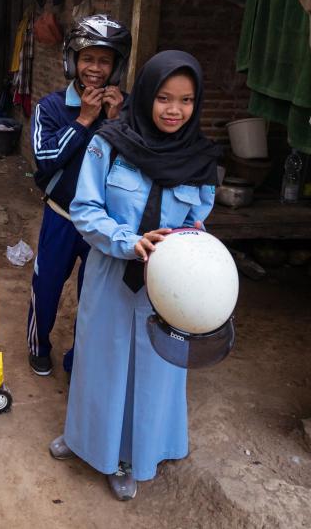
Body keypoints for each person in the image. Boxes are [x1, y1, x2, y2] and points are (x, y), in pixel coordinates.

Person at [51, 50, 219, 499]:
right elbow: (84, 209)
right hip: (111, 271)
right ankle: (85, 439)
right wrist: (128, 240)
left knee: (153, 368)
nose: (173, 110)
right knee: (99, 359)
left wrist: (189, 242)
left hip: (169, 286)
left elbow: (200, 215)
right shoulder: (110, 144)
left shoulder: (201, 160)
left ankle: (130, 457)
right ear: (145, 95)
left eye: (185, 100)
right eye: (164, 97)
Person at [27, 15, 129, 377]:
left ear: (117, 65)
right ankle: (39, 346)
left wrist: (115, 122)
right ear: (72, 60)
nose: (95, 69)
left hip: (104, 223)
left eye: (105, 60)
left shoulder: (127, 111)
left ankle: (79, 359)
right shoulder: (51, 107)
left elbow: (132, 168)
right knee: (48, 285)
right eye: (88, 58)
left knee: (94, 298)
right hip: (62, 215)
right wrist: (85, 119)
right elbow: (46, 161)